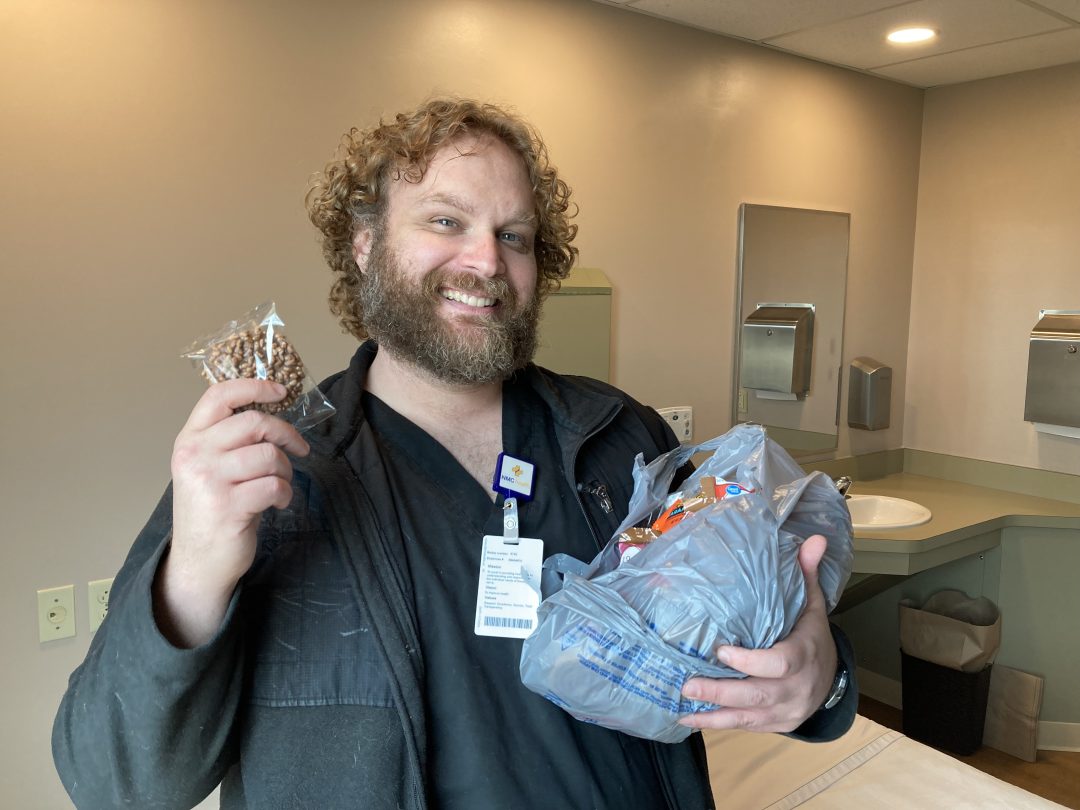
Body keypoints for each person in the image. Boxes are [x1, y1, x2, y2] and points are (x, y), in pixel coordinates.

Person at [53, 97, 856, 810]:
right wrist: (195, 567)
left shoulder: (622, 440)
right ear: (365, 244)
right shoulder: (273, 473)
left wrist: (817, 675)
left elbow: (758, 625)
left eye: (514, 236)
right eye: (445, 221)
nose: (484, 263)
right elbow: (118, 784)